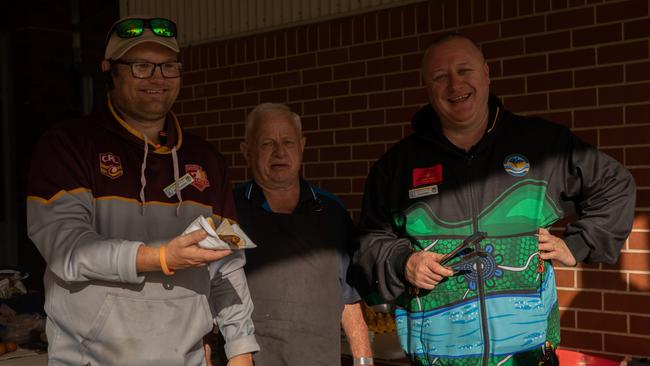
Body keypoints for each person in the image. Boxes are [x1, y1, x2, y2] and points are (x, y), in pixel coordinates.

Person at [353, 33, 636, 365]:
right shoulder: (397, 166)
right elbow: (368, 241)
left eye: (464, 70)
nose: (454, 85)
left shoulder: (541, 145)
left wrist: (580, 244)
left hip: (527, 356)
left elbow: (615, 185)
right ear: (428, 88)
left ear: (486, 74)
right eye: (440, 77)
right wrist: (404, 262)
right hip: (438, 358)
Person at [26, 16, 258, 366]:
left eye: (168, 66)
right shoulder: (67, 146)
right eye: (141, 66)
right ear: (109, 71)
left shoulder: (206, 160)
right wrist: (161, 257)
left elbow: (227, 265)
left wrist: (241, 350)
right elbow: (67, 250)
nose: (157, 78)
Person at [232, 103, 373, 366]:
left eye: (288, 141)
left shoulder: (331, 210)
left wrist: (363, 359)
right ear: (247, 152)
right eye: (266, 144)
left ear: (302, 145)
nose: (279, 152)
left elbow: (349, 295)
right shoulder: (230, 211)